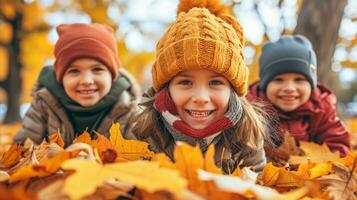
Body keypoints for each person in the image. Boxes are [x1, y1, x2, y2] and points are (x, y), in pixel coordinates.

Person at [132, 0, 272, 173]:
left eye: (215, 83)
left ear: (232, 90)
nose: (200, 97)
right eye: (185, 82)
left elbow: (257, 188)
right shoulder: (145, 133)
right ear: (166, 89)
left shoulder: (247, 137)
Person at [13, 23, 141, 147]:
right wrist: (58, 157)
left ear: (113, 76)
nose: (86, 80)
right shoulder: (44, 105)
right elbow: (20, 152)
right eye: (74, 71)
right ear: (60, 78)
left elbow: (143, 157)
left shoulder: (127, 109)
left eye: (97, 70)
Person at [247, 34, 350, 156]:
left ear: (312, 85)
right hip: (264, 171)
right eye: (278, 80)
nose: (289, 88)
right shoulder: (251, 109)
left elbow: (338, 145)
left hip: (310, 171)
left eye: (299, 79)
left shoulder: (321, 110)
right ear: (264, 85)